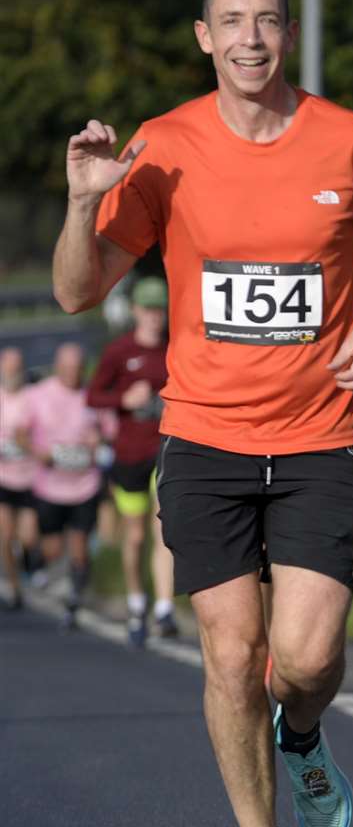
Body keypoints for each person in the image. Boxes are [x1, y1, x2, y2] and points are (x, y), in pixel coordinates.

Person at [53, 0, 353, 827]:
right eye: (233, 22)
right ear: (205, 36)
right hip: (205, 439)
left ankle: (302, 737)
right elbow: (75, 290)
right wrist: (79, 200)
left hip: (318, 439)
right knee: (233, 655)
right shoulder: (166, 145)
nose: (251, 38)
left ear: (290, 33)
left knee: (302, 661)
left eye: (267, 20)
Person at [87, 276, 177, 646]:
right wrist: (125, 399)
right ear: (136, 311)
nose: (155, 317)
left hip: (166, 451)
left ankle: (165, 609)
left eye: (160, 310)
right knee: (136, 534)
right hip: (129, 456)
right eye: (149, 310)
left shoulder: (174, 349)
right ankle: (137, 601)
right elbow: (93, 397)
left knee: (164, 531)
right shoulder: (119, 352)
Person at [18, 342, 103, 628]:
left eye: (78, 368)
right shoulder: (38, 395)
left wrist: (98, 442)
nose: (72, 374)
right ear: (57, 367)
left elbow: (108, 430)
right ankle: (38, 567)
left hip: (85, 485)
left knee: (79, 546)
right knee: (52, 548)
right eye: (67, 368)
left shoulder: (92, 395)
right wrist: (37, 452)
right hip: (50, 487)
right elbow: (20, 432)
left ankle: (74, 599)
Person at [0, 347, 40, 610]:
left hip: (30, 477)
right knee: (5, 535)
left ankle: (28, 563)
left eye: (17, 367)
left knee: (27, 537)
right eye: (8, 367)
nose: (13, 371)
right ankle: (15, 588)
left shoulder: (33, 398)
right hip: (3, 477)